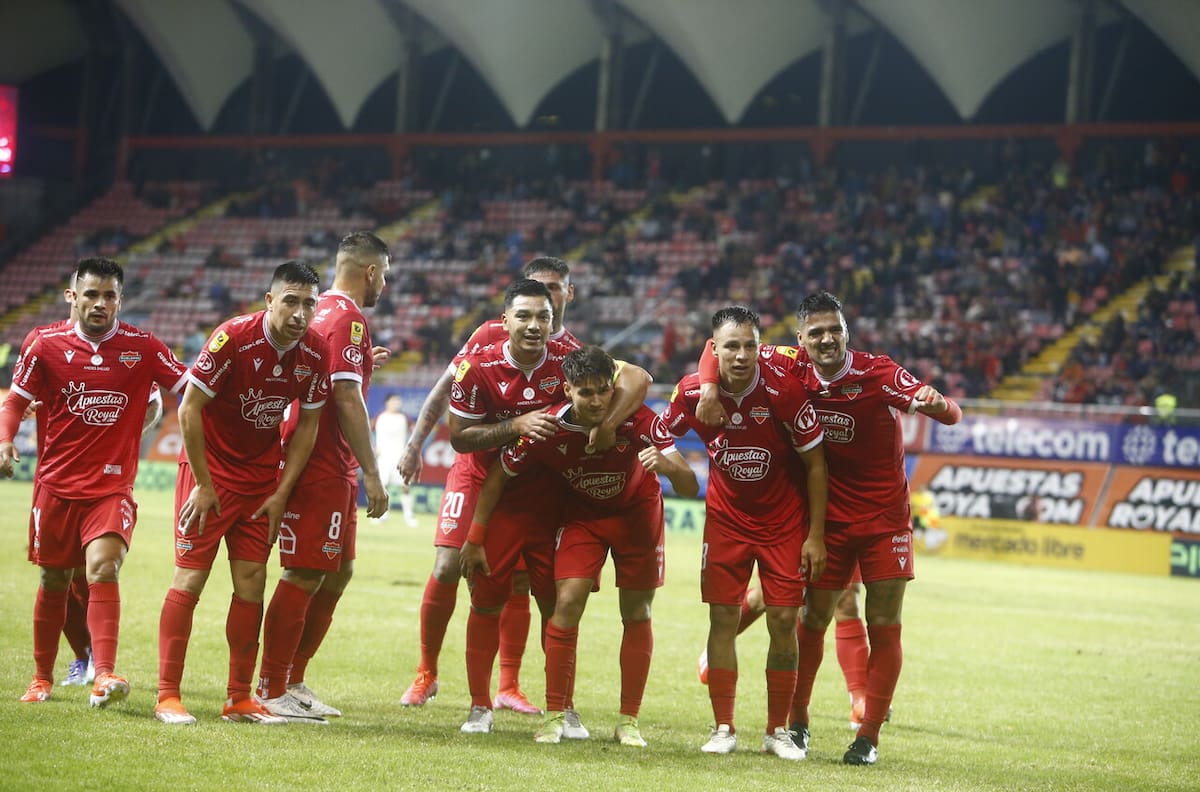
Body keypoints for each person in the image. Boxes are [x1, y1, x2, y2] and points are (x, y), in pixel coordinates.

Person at [695, 291, 962, 765]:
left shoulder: (877, 372)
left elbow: (951, 413)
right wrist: (711, 389)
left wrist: (936, 403)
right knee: (811, 618)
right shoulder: (789, 363)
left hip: (884, 520)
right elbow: (718, 345)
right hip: (826, 520)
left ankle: (869, 736)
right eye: (815, 333)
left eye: (834, 330)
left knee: (883, 622)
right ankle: (798, 725)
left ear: (846, 332)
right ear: (801, 339)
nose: (826, 339)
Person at [460, 346, 698, 747]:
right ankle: (556, 714)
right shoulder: (549, 427)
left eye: (602, 391)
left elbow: (690, 485)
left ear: (612, 388)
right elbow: (499, 475)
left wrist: (668, 464)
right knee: (566, 601)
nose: (594, 400)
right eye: (583, 392)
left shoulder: (642, 420)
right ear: (567, 390)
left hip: (638, 517)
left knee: (636, 610)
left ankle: (629, 721)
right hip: (584, 518)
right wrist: (475, 536)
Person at [450, 279, 651, 736]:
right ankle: (480, 706)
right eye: (524, 316)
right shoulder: (477, 368)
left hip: (558, 503)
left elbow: (638, 377)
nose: (535, 325)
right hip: (498, 496)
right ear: (504, 321)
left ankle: (564, 707)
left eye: (543, 316)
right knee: (485, 602)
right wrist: (514, 425)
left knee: (556, 606)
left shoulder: (570, 360)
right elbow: (459, 437)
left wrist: (608, 425)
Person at [0, 256, 188, 707]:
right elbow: (14, 402)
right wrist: (5, 442)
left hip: (110, 487)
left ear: (120, 299)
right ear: (72, 297)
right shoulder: (43, 344)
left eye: (109, 296)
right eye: (91, 294)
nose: (100, 303)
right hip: (55, 485)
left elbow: (191, 388)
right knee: (53, 579)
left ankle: (104, 674)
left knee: (104, 567)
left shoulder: (143, 346)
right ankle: (41, 678)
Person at [397, 257, 580, 711]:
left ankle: (508, 686)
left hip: (529, 484)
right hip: (476, 470)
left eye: (553, 290)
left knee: (517, 580)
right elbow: (445, 390)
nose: (544, 297)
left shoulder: (572, 355)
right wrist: (414, 444)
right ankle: (426, 673)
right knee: (446, 566)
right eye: (535, 290)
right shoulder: (487, 338)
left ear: (566, 297)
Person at [154, 261, 329, 726]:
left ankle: (238, 698)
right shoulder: (232, 338)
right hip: (208, 475)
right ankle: (168, 695)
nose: (300, 312)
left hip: (260, 483)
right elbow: (189, 408)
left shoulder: (316, 350)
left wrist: (281, 492)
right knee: (190, 579)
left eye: (309, 303)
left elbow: (307, 426)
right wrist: (205, 485)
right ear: (269, 300)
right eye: (290, 300)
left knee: (252, 582)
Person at [662, 306, 827, 760]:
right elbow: (657, 434)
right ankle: (723, 727)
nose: (741, 354)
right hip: (726, 522)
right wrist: (677, 471)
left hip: (784, 523)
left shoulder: (784, 388)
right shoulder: (692, 391)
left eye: (749, 345)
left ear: (760, 346)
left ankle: (778, 730)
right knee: (722, 620)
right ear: (714, 350)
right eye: (730, 346)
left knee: (782, 621)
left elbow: (816, 463)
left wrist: (815, 535)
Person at [255, 232, 391, 723]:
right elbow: (345, 398)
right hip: (323, 462)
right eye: (386, 276)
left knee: (338, 570)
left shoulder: (324, 314)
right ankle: (272, 686)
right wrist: (372, 472)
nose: (385, 287)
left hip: (328, 461)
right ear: (371, 272)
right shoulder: (349, 318)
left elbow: (324, 373)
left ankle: (292, 677)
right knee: (306, 570)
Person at [374, 393, 417, 526]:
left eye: (398, 401)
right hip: (384, 458)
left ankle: (408, 515)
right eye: (394, 401)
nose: (396, 403)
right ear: (387, 403)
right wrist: (374, 448)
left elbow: (416, 431)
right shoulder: (379, 418)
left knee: (405, 486)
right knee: (382, 486)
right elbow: (366, 431)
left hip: (400, 458)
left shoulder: (404, 418)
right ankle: (381, 514)